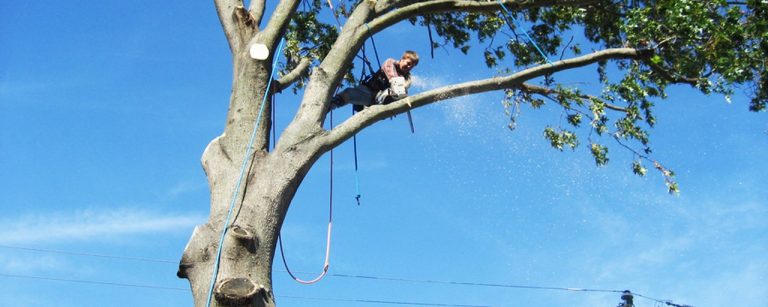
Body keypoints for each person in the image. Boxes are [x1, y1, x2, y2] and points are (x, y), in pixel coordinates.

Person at [330, 50, 419, 111]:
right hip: (368, 91)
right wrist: (397, 83)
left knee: (392, 92)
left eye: (412, 66)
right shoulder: (390, 62)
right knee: (349, 93)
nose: (409, 67)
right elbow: (391, 74)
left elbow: (405, 87)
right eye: (408, 64)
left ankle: (385, 103)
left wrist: (403, 94)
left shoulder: (408, 77)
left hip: (380, 98)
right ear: (402, 59)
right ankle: (332, 103)